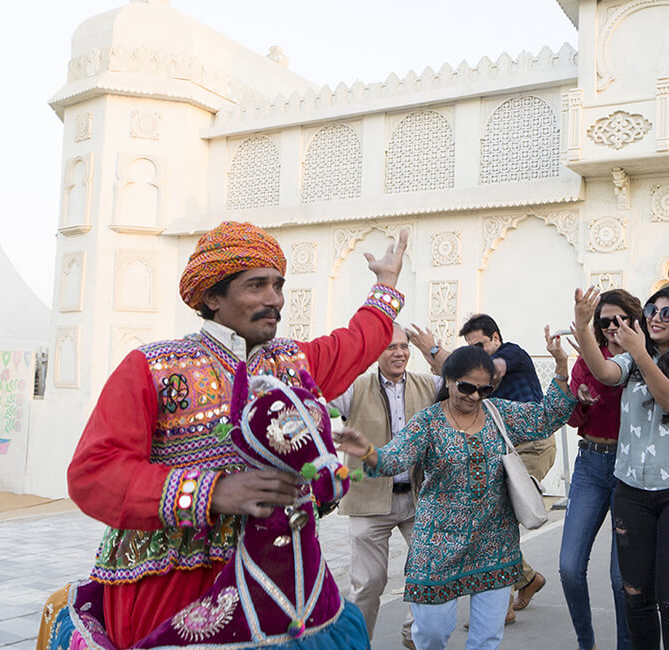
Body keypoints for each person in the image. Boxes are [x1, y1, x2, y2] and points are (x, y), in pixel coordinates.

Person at [43, 221, 408, 650]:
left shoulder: (294, 363)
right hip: (169, 582)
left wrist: (386, 283)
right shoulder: (154, 367)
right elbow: (94, 474)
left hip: (274, 581)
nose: (274, 299)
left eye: (278, 285)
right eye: (257, 286)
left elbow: (357, 343)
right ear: (212, 297)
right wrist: (212, 492)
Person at [333, 337, 578, 650]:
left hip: (494, 542)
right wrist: (367, 451)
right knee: (431, 634)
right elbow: (394, 458)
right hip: (437, 547)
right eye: (466, 388)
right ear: (448, 381)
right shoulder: (428, 422)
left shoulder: (498, 413)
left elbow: (546, 418)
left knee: (487, 639)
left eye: (484, 389)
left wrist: (560, 367)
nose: (475, 396)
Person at [571, 285, 669, 650]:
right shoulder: (633, 359)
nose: (655, 317)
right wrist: (583, 323)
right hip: (632, 492)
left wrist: (639, 352)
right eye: (653, 309)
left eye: (667, 312)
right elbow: (604, 372)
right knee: (635, 598)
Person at [408, 315, 550, 614]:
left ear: (496, 338)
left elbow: (487, 371)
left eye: (481, 345)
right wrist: (429, 352)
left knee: (496, 514)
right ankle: (520, 583)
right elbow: (453, 377)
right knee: (489, 515)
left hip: (529, 446)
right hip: (503, 447)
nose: (478, 353)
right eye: (471, 347)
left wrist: (434, 350)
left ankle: (506, 592)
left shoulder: (511, 354)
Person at [331, 328, 440, 649]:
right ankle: (356, 643)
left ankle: (414, 635)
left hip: (419, 498)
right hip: (369, 501)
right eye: (391, 347)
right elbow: (321, 389)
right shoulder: (356, 389)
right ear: (377, 352)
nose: (399, 353)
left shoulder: (427, 385)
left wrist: (432, 349)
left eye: (404, 347)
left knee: (430, 572)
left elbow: (463, 376)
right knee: (368, 583)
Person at [559, 289, 644, 650]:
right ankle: (586, 642)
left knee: (619, 578)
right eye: (605, 321)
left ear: (633, 319)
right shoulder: (587, 361)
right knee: (569, 567)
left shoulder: (645, 359)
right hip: (591, 463)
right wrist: (578, 401)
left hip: (630, 469)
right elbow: (576, 420)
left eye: (619, 319)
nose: (612, 326)